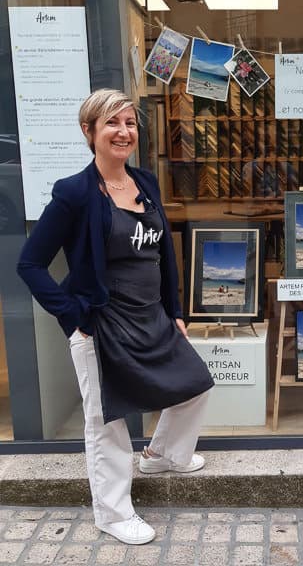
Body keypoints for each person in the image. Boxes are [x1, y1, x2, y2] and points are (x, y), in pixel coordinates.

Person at [16, 89, 215, 545]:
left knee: (196, 384)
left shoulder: (144, 182)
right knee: (106, 423)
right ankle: (112, 512)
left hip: (152, 317)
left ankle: (163, 454)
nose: (123, 131)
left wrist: (175, 310)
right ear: (89, 132)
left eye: (129, 123)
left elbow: (164, 253)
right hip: (102, 323)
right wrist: (72, 317)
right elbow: (29, 264)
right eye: (111, 123)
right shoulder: (75, 193)